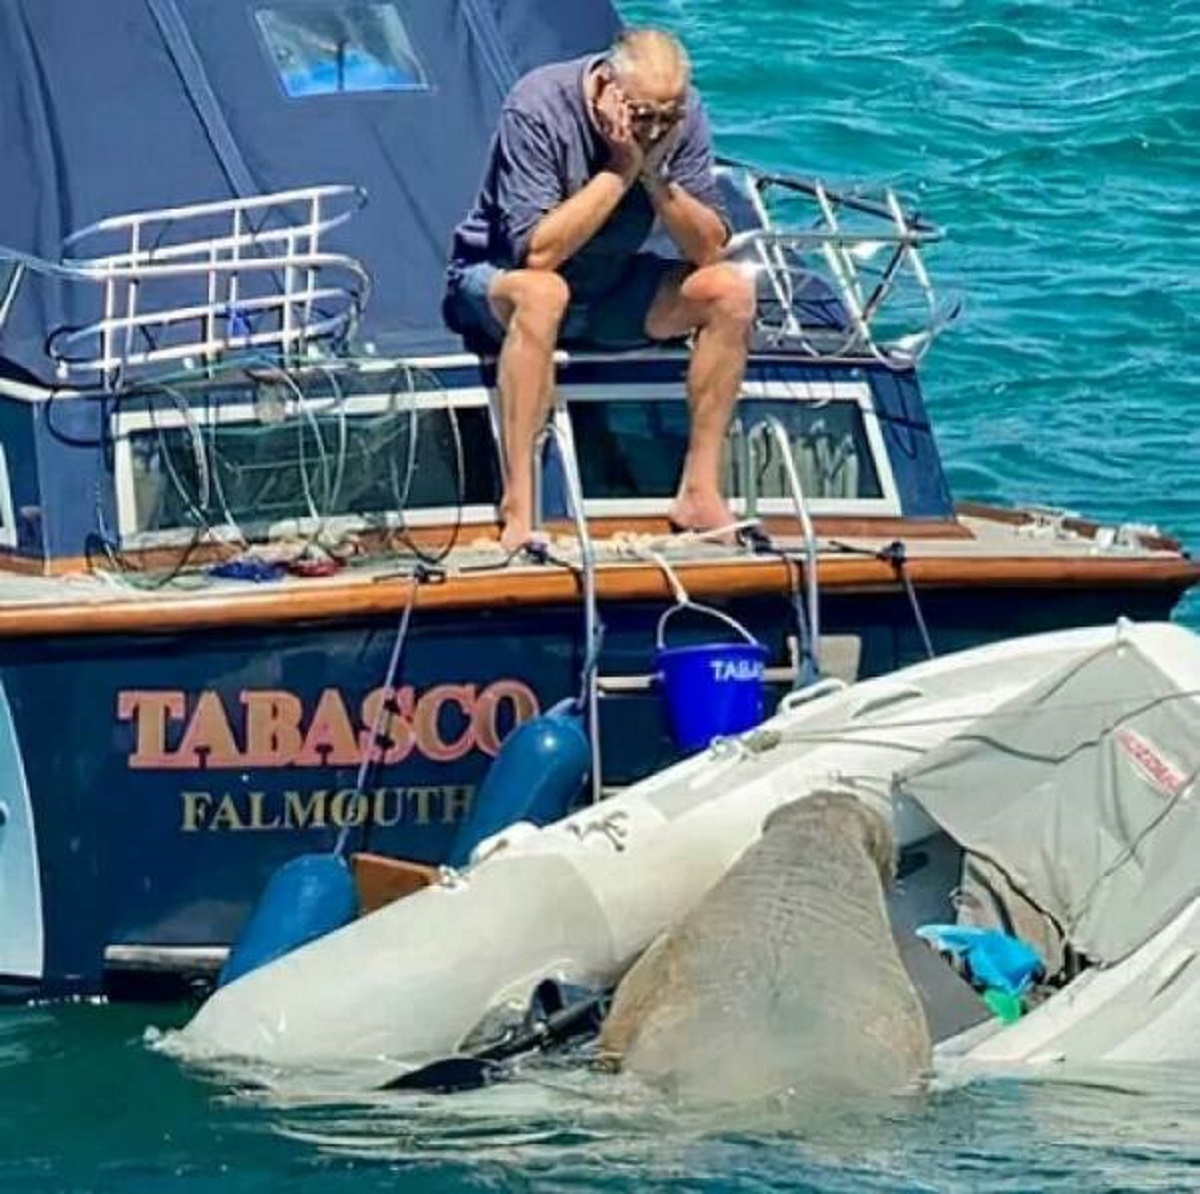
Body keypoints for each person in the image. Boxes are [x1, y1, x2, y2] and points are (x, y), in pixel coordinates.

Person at [443, 28, 756, 552]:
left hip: (609, 288)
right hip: (500, 281)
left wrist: (654, 174)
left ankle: (699, 490)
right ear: (608, 87)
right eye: (643, 115)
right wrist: (621, 166)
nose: (656, 128)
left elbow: (707, 249)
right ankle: (520, 504)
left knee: (730, 290)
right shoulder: (539, 106)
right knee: (545, 293)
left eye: (668, 117)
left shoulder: (683, 117)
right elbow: (538, 253)